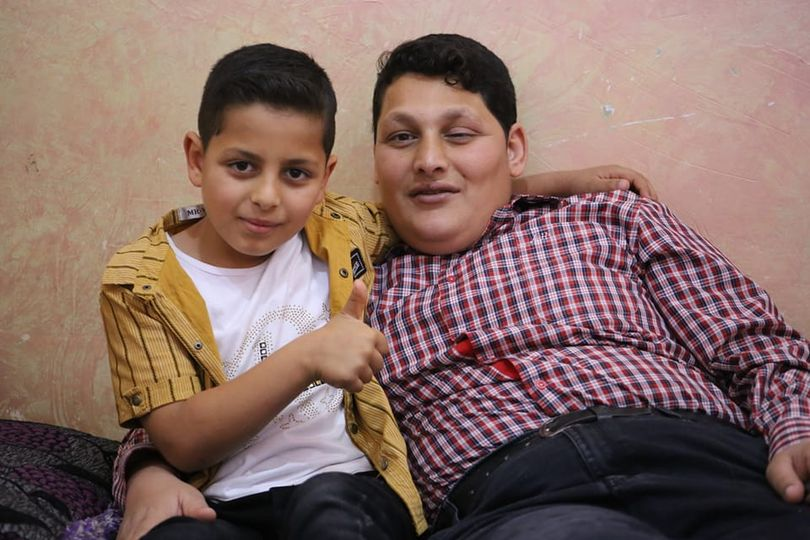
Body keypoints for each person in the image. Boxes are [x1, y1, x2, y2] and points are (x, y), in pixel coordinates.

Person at [98, 39, 655, 540]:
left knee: (331, 510)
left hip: (347, 485)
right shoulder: (139, 282)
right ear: (197, 159)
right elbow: (180, 439)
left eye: (296, 173)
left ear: (324, 177)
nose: (267, 196)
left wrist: (562, 183)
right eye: (242, 166)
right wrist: (307, 357)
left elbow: (445, 196)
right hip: (222, 499)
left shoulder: (340, 229)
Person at [366, 34, 810, 539]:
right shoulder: (347, 286)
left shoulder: (612, 216)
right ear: (377, 163)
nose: (428, 159)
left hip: (704, 460)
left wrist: (796, 430)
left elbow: (756, 347)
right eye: (402, 138)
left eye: (460, 135)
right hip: (511, 503)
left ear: (513, 150)